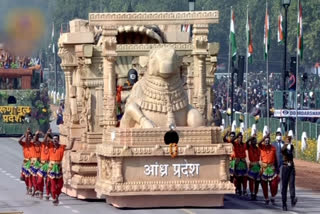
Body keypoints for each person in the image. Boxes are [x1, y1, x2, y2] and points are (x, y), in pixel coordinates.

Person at [48, 135, 75, 205]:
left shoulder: (62, 147)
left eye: (56, 139)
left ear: (58, 140)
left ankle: (57, 195)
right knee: (53, 185)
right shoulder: (50, 146)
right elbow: (45, 141)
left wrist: (72, 140)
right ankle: (54, 198)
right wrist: (46, 134)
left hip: (59, 167)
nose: (55, 141)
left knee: (60, 185)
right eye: (54, 139)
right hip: (51, 168)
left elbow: (69, 147)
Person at [258, 134, 279, 205]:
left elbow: (276, 159)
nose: (266, 142)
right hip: (264, 168)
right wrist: (264, 137)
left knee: (274, 183)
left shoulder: (273, 148)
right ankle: (266, 198)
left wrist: (277, 168)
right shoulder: (262, 147)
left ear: (270, 141)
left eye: (268, 140)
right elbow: (258, 143)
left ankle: (273, 197)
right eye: (265, 140)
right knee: (264, 184)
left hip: (271, 168)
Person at [281, 135, 298, 211]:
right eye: (287, 140)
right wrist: (286, 144)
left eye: (290, 140)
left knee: (292, 184)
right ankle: (284, 203)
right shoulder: (284, 147)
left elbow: (292, 154)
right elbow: (282, 150)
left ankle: (292, 199)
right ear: (285, 140)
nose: (289, 141)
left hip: (291, 167)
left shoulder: (291, 147)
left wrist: (290, 146)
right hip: (285, 168)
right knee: (284, 186)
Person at [37, 129, 52, 200]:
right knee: (39, 181)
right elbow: (44, 140)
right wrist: (46, 134)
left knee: (48, 181)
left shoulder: (52, 147)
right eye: (47, 139)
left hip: (49, 165)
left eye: (49, 140)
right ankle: (40, 191)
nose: (47, 141)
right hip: (42, 165)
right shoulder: (42, 145)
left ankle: (48, 194)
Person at [246, 131, 261, 201]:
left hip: (257, 166)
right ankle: (252, 193)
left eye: (255, 141)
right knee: (251, 181)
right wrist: (252, 137)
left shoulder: (258, 149)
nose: (254, 142)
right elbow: (246, 142)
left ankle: (255, 194)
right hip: (251, 165)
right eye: (253, 141)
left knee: (257, 181)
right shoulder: (249, 147)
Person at [18, 129, 32, 194]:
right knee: (25, 177)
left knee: (30, 176)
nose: (28, 139)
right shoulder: (24, 144)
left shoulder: (33, 144)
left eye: (30, 138)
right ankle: (27, 186)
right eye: (28, 137)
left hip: (32, 162)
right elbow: (19, 141)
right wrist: (24, 135)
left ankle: (30, 187)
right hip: (26, 162)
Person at [29, 131, 42, 196]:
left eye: (37, 138)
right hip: (33, 163)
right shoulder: (32, 144)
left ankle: (38, 189)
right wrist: (36, 134)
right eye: (34, 138)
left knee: (39, 178)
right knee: (34, 177)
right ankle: (35, 189)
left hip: (40, 163)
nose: (35, 140)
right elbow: (33, 140)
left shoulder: (41, 145)